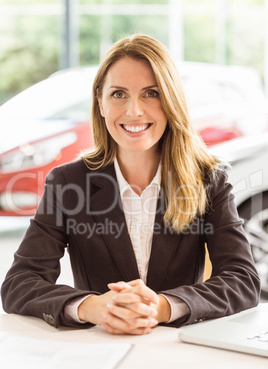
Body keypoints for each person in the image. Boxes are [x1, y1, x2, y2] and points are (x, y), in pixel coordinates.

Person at [1, 34, 260, 335]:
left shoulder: (208, 179)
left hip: (181, 352)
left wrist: (163, 306)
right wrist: (91, 307)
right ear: (100, 102)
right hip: (98, 349)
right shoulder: (68, 183)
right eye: (119, 94)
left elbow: (242, 280)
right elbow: (20, 283)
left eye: (151, 93)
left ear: (170, 100)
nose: (134, 110)